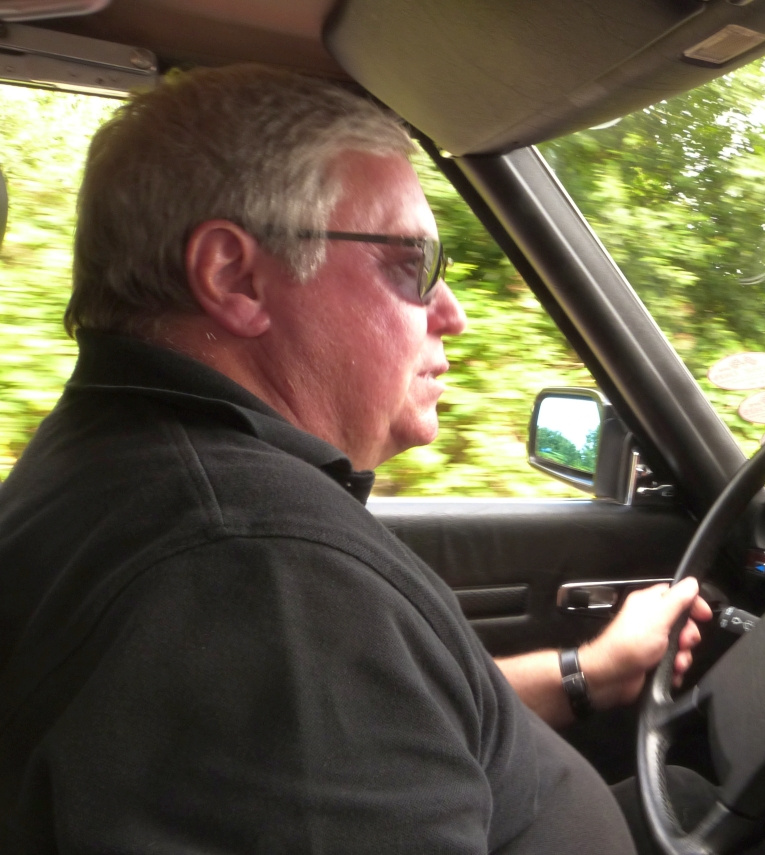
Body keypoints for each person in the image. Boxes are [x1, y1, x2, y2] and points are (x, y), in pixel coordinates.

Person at [0, 65, 711, 853]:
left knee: (694, 795)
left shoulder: (123, 462)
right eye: (412, 264)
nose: (453, 313)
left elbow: (379, 719)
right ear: (236, 277)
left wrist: (590, 671)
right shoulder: (256, 578)